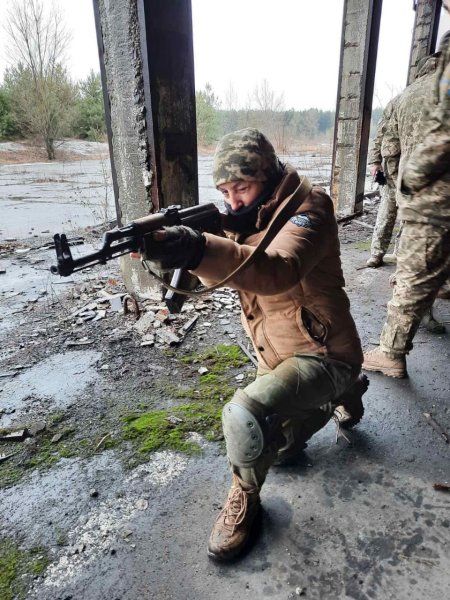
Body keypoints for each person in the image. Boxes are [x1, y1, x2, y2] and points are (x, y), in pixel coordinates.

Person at [140, 128, 368, 561]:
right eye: (225, 192)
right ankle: (341, 396)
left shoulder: (311, 208)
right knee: (277, 452)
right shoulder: (245, 218)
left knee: (245, 414)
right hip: (276, 355)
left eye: (241, 188)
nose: (233, 201)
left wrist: (200, 248)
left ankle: (244, 500)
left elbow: (279, 269)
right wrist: (177, 250)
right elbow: (222, 272)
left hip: (326, 354)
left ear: (269, 176)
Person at [363, 32, 450, 379]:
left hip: (433, 198)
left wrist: (408, 179)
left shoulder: (410, 94)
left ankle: (391, 352)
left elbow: (394, 144)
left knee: (414, 275)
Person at [366, 95, 401, 268]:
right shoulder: (397, 101)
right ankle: (377, 253)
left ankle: (400, 253)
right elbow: (380, 133)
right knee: (387, 211)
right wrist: (374, 161)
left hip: (417, 167)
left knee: (410, 213)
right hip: (392, 167)